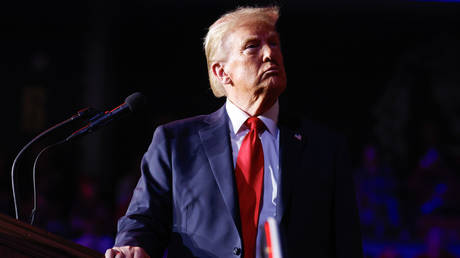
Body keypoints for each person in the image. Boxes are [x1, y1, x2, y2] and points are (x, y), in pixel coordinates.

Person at [105, 6, 362, 258]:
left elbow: (346, 244)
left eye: (274, 44)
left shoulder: (325, 148)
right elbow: (143, 219)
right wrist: (132, 245)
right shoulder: (176, 143)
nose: (270, 54)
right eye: (253, 46)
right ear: (222, 71)